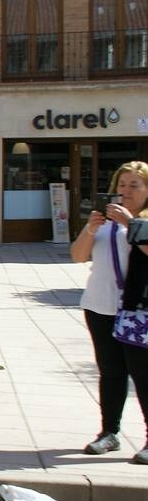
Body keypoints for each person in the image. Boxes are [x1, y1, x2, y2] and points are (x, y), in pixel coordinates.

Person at [71, 160, 148, 464]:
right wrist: (90, 229)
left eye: (135, 185)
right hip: (99, 306)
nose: (126, 191)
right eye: (122, 185)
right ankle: (109, 433)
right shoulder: (105, 222)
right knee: (111, 373)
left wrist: (131, 223)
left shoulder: (140, 221)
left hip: (137, 311)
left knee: (143, 375)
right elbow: (77, 256)